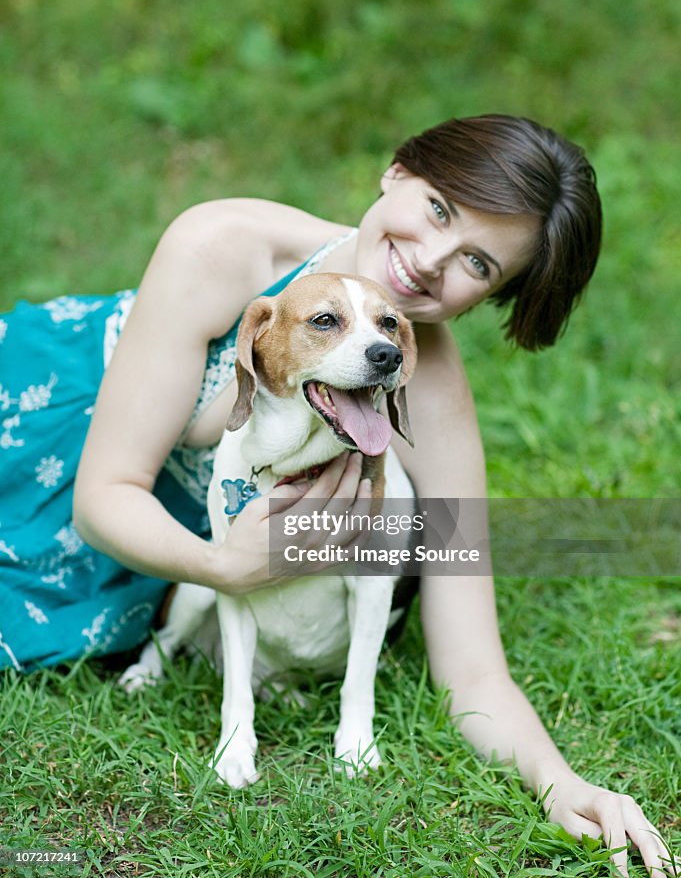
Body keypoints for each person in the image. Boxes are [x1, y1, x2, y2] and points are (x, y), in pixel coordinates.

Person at [0, 115, 673, 875]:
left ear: (489, 297)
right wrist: (224, 568)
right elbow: (105, 495)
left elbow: (471, 665)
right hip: (53, 430)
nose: (426, 261)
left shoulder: (428, 390)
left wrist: (561, 783)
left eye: (476, 264)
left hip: (174, 538)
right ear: (394, 172)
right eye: (437, 210)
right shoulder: (224, 246)